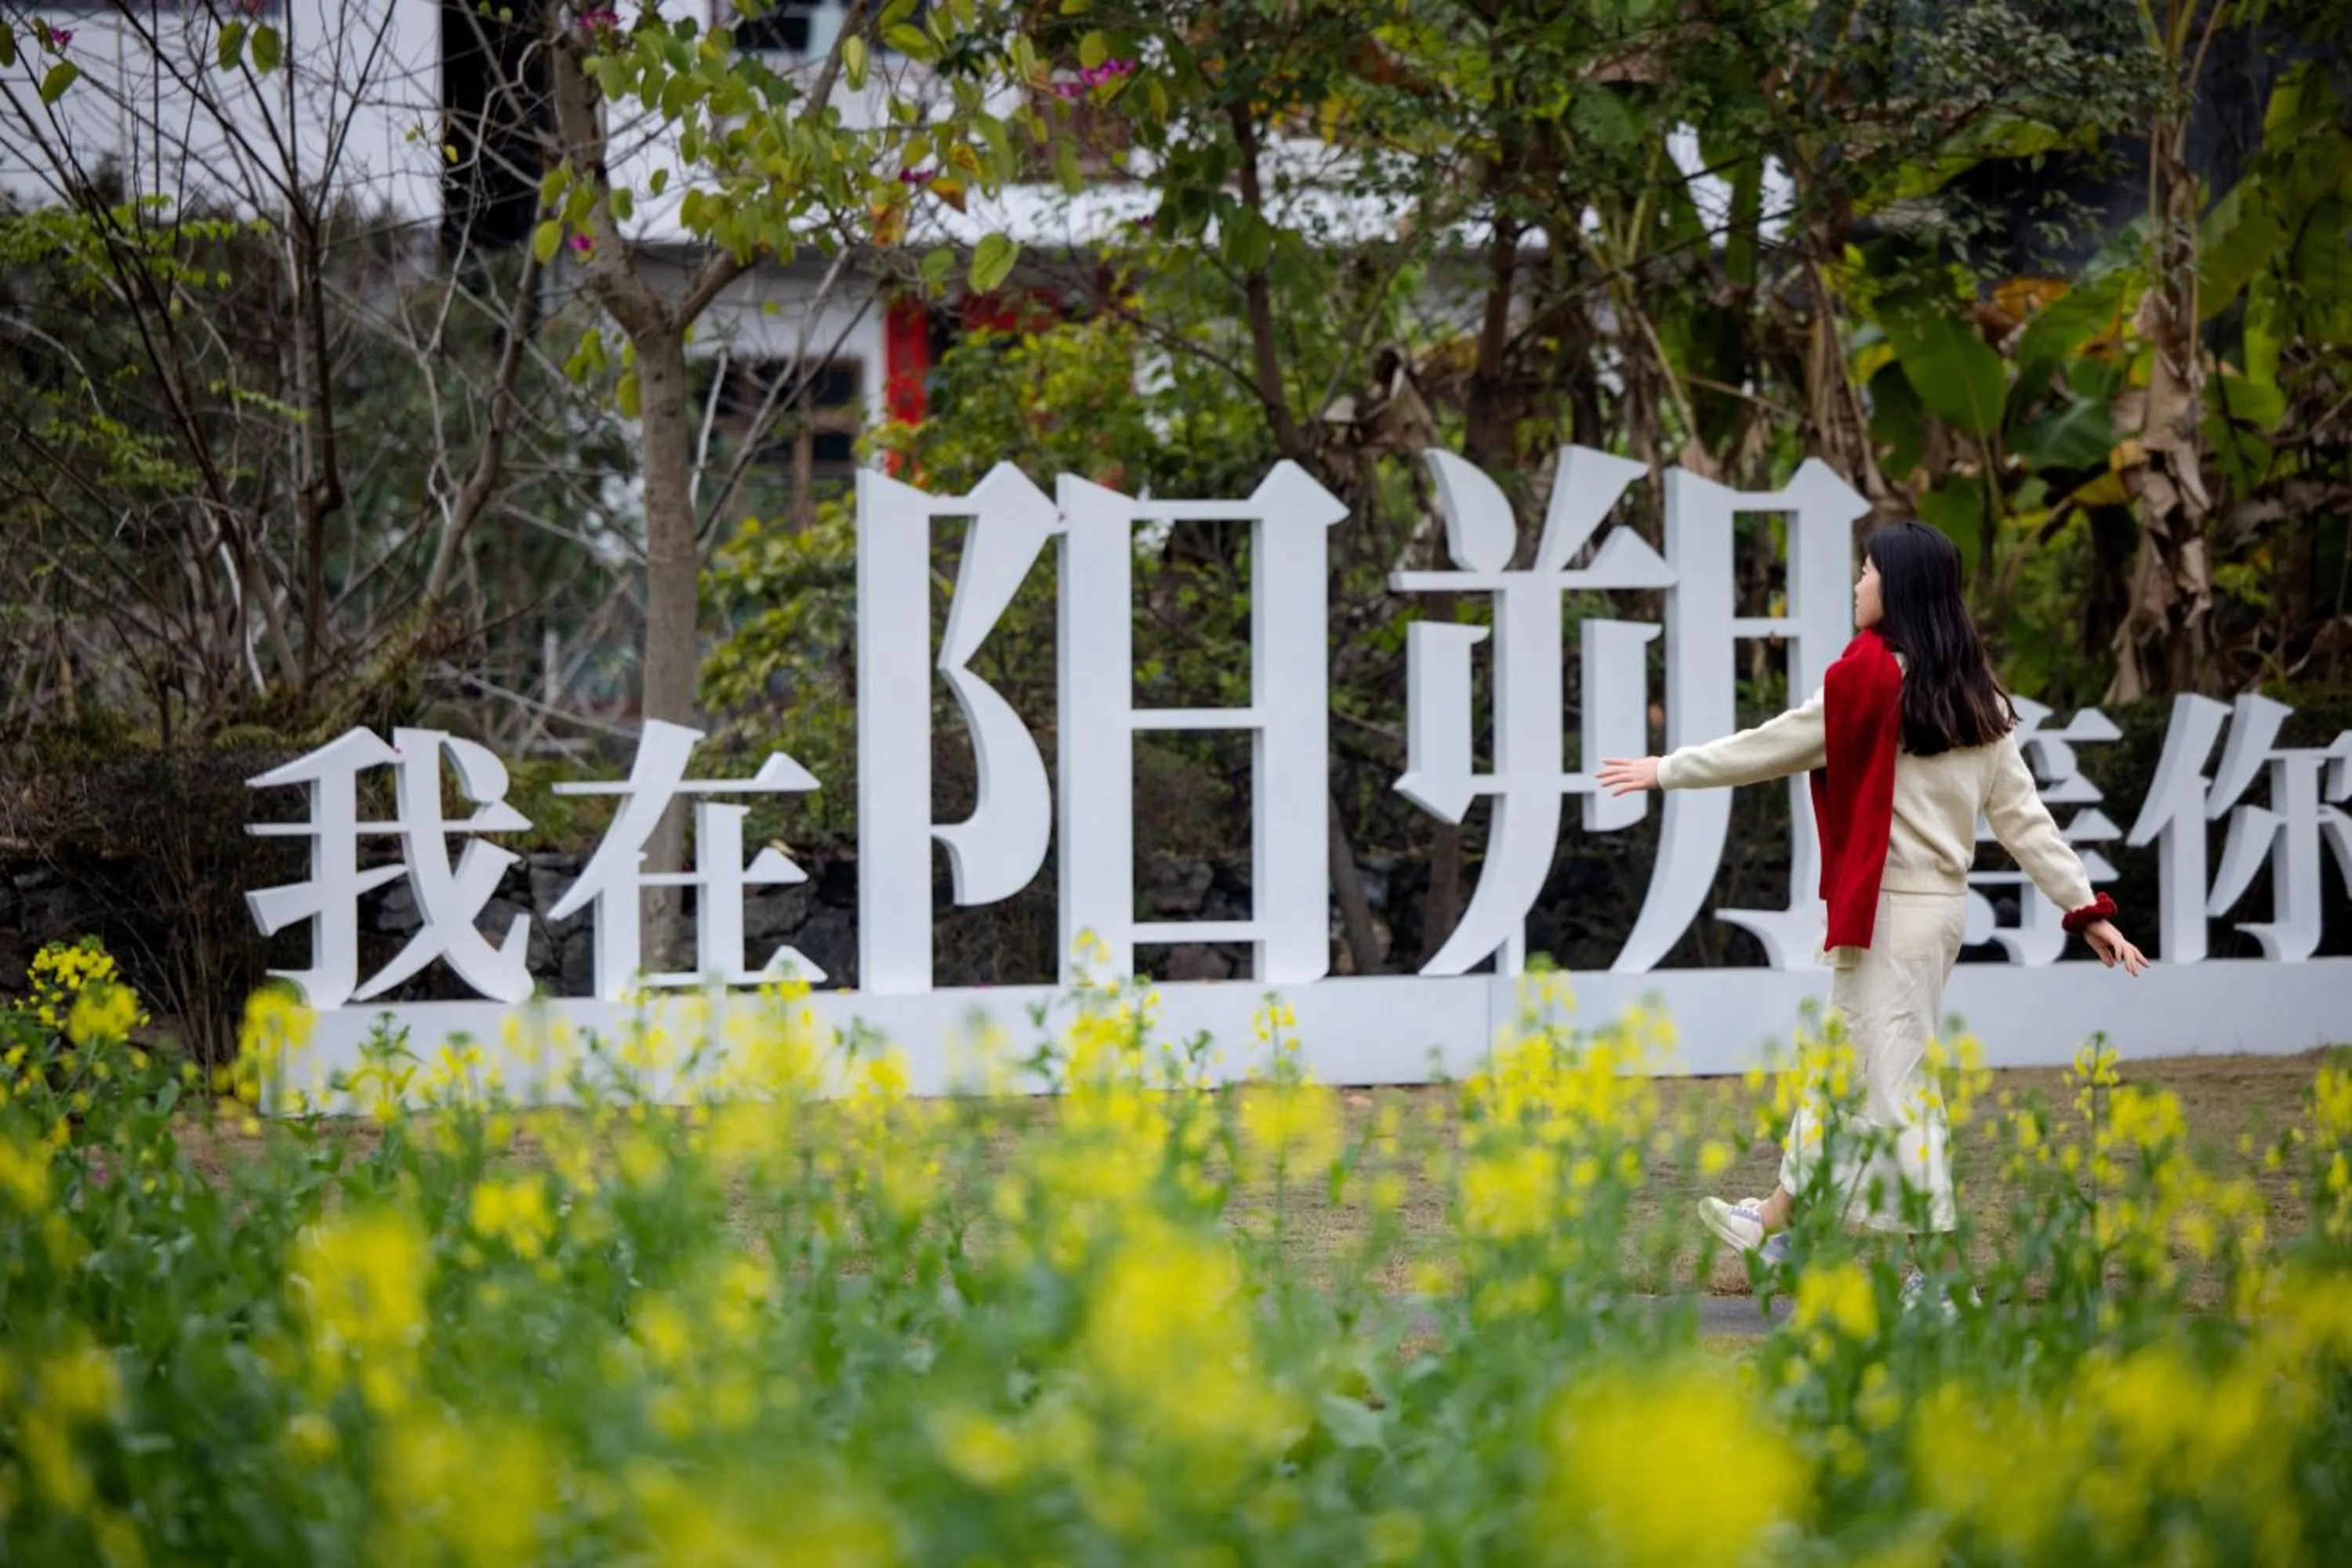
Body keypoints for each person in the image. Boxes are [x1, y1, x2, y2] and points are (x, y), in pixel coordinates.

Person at [1595, 520, 2146, 1298]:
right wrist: (2083, 907)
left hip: (1888, 916)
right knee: (1845, 1076)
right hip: (1933, 915)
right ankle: (1783, 1220)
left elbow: (1765, 746)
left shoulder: (1866, 684)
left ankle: (1940, 1273)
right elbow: (2025, 820)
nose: (1857, 585)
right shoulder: (1977, 698)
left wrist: (1666, 770)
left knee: (1895, 1091)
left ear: (1899, 589)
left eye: (1867, 572)